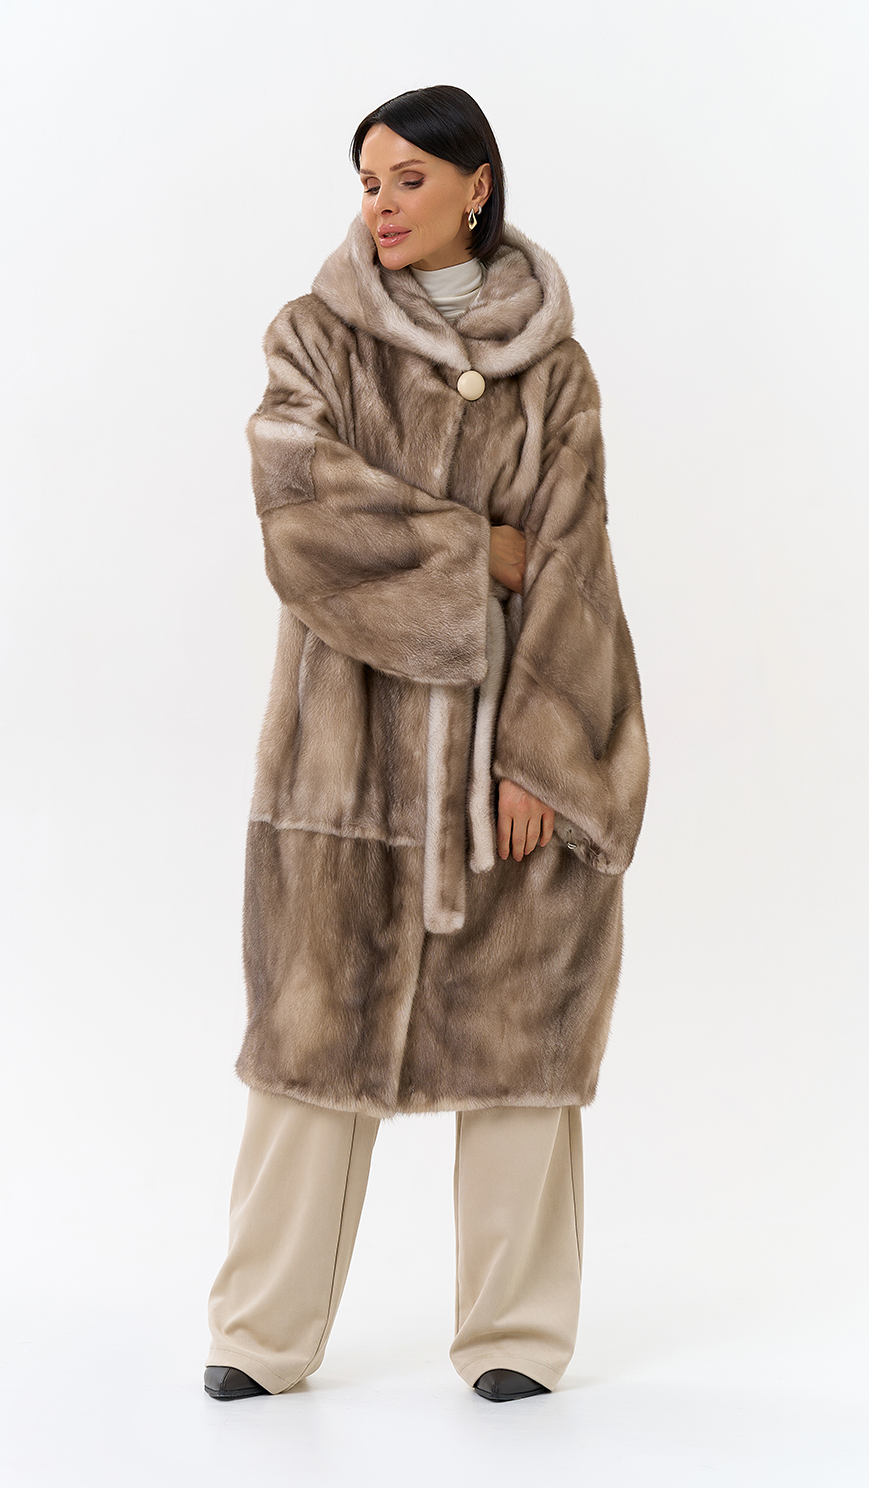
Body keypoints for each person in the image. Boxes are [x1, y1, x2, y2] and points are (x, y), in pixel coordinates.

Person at [204, 84, 650, 1405]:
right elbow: (298, 512)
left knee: (521, 1050)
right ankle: (260, 1334)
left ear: (476, 184)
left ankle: (516, 1336)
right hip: (342, 770)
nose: (382, 204)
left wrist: (541, 757)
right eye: (368, 181)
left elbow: (574, 564)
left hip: (505, 761)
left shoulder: (556, 371)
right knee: (308, 1049)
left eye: (408, 178)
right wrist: (468, 552)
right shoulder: (315, 338)